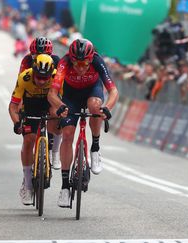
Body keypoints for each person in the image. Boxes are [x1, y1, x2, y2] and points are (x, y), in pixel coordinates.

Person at [47, 38, 119, 207]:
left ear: (90, 59)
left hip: (92, 91)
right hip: (71, 96)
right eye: (76, 64)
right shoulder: (64, 63)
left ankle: (95, 148)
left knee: (95, 107)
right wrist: (60, 106)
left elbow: (113, 91)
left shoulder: (97, 61)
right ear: (71, 59)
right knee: (67, 134)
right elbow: (52, 93)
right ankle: (65, 187)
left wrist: (107, 108)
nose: (80, 68)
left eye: (84, 64)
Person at [9, 54, 60, 205]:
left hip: (48, 103)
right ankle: (27, 183)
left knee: (56, 115)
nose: (42, 81)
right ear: (33, 71)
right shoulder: (24, 77)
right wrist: (16, 122)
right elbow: (13, 106)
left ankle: (51, 149)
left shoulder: (57, 77)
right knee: (29, 139)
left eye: (46, 78)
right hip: (30, 106)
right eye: (39, 77)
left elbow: (61, 102)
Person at [18, 36, 62, 170]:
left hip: (49, 95)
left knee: (57, 115)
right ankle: (27, 180)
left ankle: (54, 151)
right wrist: (20, 111)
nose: (39, 58)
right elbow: (21, 86)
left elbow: (60, 89)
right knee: (28, 140)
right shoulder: (26, 61)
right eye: (35, 55)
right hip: (31, 97)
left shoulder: (56, 61)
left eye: (44, 55)